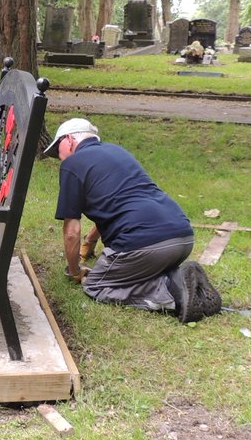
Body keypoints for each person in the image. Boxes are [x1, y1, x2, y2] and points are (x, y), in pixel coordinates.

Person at [45, 117, 221, 322]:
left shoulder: (72, 164)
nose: (58, 156)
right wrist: (91, 241)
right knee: (136, 269)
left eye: (57, 149)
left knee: (96, 285)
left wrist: (74, 270)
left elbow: (71, 232)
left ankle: (173, 294)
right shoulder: (117, 152)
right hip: (182, 237)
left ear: (69, 140)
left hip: (145, 246)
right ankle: (180, 278)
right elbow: (115, 202)